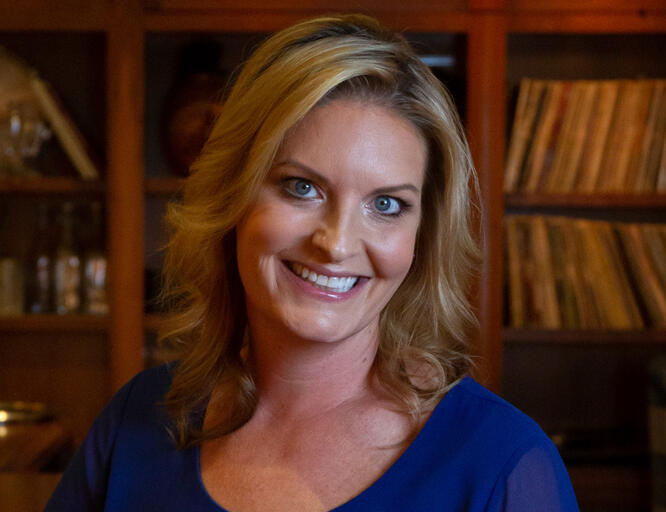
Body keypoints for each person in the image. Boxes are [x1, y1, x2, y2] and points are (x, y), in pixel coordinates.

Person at [46, 14, 579, 512]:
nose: (337, 242)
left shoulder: (504, 465)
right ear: (233, 196)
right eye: (301, 187)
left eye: (386, 204)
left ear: (423, 237)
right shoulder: (137, 420)